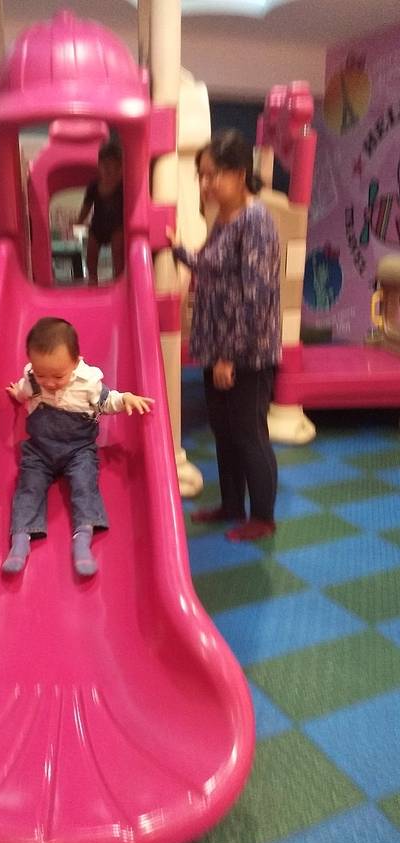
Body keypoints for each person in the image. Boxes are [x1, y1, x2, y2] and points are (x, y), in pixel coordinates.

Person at [168, 129, 280, 542]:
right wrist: (178, 249)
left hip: (246, 353)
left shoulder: (256, 222)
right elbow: (211, 265)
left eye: (212, 174)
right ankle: (232, 504)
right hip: (217, 348)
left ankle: (263, 516)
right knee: (224, 430)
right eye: (201, 175)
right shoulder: (225, 218)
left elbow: (256, 298)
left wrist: (230, 357)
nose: (205, 183)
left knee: (249, 433)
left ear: (238, 173)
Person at [3, 317, 153, 575]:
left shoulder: (88, 383)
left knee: (85, 484)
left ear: (75, 362)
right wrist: (17, 394)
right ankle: (20, 539)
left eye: (58, 376)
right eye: (42, 374)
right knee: (29, 486)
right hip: (40, 449)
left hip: (78, 450)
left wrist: (125, 398)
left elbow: (107, 401)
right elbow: (24, 390)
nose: (49, 382)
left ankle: (83, 536)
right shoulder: (33, 379)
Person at [76, 140, 124, 283]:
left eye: (115, 168)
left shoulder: (123, 186)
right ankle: (92, 279)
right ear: (99, 167)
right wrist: (79, 220)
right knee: (91, 255)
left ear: (121, 170)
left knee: (118, 254)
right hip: (97, 226)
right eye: (105, 167)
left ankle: (118, 279)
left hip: (117, 227)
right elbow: (86, 206)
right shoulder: (94, 186)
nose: (109, 172)